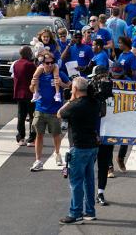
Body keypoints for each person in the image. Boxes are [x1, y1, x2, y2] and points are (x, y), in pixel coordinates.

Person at [58, 77, 101, 225]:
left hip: (79, 146)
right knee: (89, 180)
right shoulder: (95, 103)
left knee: (76, 182)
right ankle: (90, 211)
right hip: (92, 146)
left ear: (75, 89)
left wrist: (70, 99)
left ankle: (75, 213)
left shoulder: (74, 106)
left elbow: (60, 113)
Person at [29, 52, 71, 172]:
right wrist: (32, 86)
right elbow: (31, 88)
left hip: (54, 110)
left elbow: (70, 86)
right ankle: (38, 160)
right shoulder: (40, 74)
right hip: (40, 109)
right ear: (42, 63)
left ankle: (57, 153)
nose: (50, 65)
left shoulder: (59, 73)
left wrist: (61, 84)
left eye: (52, 63)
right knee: (39, 134)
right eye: (47, 63)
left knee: (56, 134)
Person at [12, 46, 37, 146]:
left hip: (19, 93)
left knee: (21, 116)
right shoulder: (30, 65)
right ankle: (31, 139)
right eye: (30, 52)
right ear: (27, 53)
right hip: (29, 93)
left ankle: (21, 137)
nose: (31, 53)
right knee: (32, 117)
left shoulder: (16, 63)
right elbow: (35, 76)